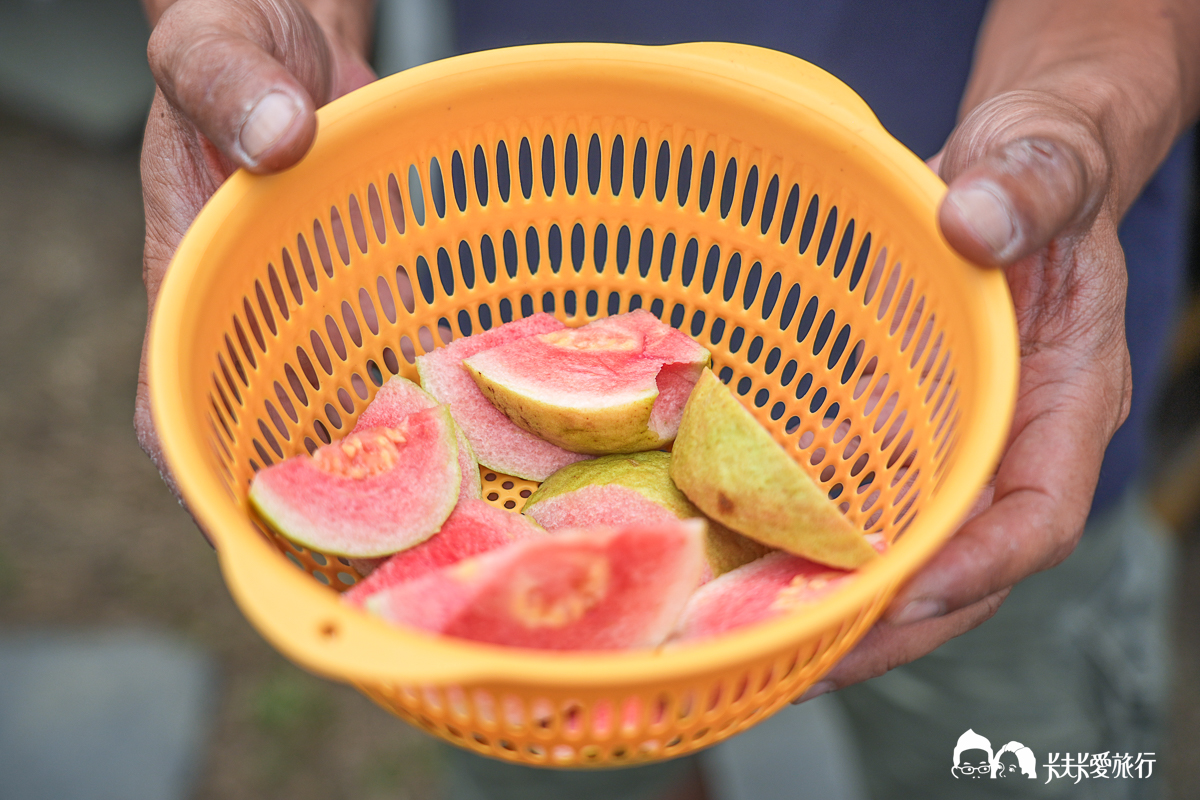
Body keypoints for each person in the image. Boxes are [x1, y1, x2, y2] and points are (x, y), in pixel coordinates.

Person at [133, 1, 1200, 798]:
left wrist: (1079, 109)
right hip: (511, 220)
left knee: (1022, 762)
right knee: (559, 755)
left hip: (989, 357)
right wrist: (261, 32)